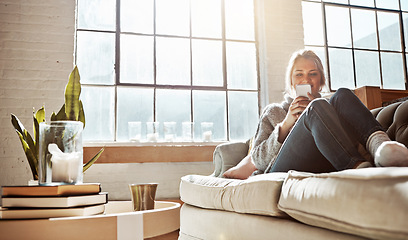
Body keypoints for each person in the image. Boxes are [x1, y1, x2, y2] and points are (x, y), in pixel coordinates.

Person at [223, 49, 408, 179]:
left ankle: (383, 148)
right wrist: (286, 125)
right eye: (299, 75)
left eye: (313, 74)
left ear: (320, 81)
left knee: (342, 94)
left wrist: (322, 116)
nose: (306, 80)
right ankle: (358, 169)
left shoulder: (332, 105)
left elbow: (352, 140)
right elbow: (258, 160)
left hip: (328, 160)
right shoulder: (274, 112)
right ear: (291, 81)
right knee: (317, 108)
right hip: (281, 168)